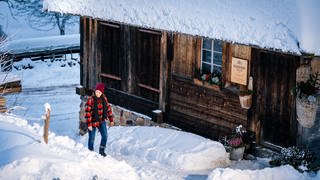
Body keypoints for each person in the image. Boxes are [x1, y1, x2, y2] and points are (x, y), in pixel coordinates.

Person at [85, 82, 114, 156]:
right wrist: (89, 125)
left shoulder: (104, 99)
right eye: (96, 91)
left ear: (102, 93)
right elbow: (87, 112)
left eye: (99, 92)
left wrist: (111, 120)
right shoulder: (91, 99)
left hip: (101, 121)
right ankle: (90, 152)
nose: (97, 93)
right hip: (92, 122)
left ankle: (102, 150)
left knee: (105, 136)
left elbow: (108, 110)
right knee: (92, 138)